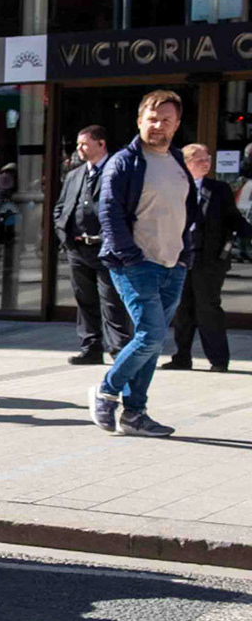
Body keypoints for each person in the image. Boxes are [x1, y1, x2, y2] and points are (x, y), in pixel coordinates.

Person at [90, 90, 202, 438]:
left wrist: (184, 256)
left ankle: (135, 413)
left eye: (166, 120)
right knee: (151, 336)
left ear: (176, 124)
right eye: (152, 119)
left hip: (173, 265)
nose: (158, 125)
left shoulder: (178, 162)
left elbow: (188, 211)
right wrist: (130, 256)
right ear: (140, 121)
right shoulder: (124, 162)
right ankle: (106, 390)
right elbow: (109, 212)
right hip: (136, 264)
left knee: (151, 342)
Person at [167, 142, 250, 371]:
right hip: (180, 258)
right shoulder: (174, 187)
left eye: (209, 159)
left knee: (208, 309)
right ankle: (182, 357)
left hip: (209, 260)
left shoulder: (218, 189)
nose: (206, 164)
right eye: (201, 160)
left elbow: (233, 219)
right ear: (187, 163)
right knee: (182, 309)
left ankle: (218, 360)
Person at [53, 126, 131, 365]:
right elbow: (61, 207)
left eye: (84, 144)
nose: (79, 149)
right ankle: (91, 348)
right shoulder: (75, 175)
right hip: (78, 248)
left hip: (107, 249)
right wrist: (63, 233)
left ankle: (119, 350)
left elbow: (127, 209)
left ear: (101, 144)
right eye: (78, 144)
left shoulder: (117, 171)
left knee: (111, 300)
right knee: (85, 300)